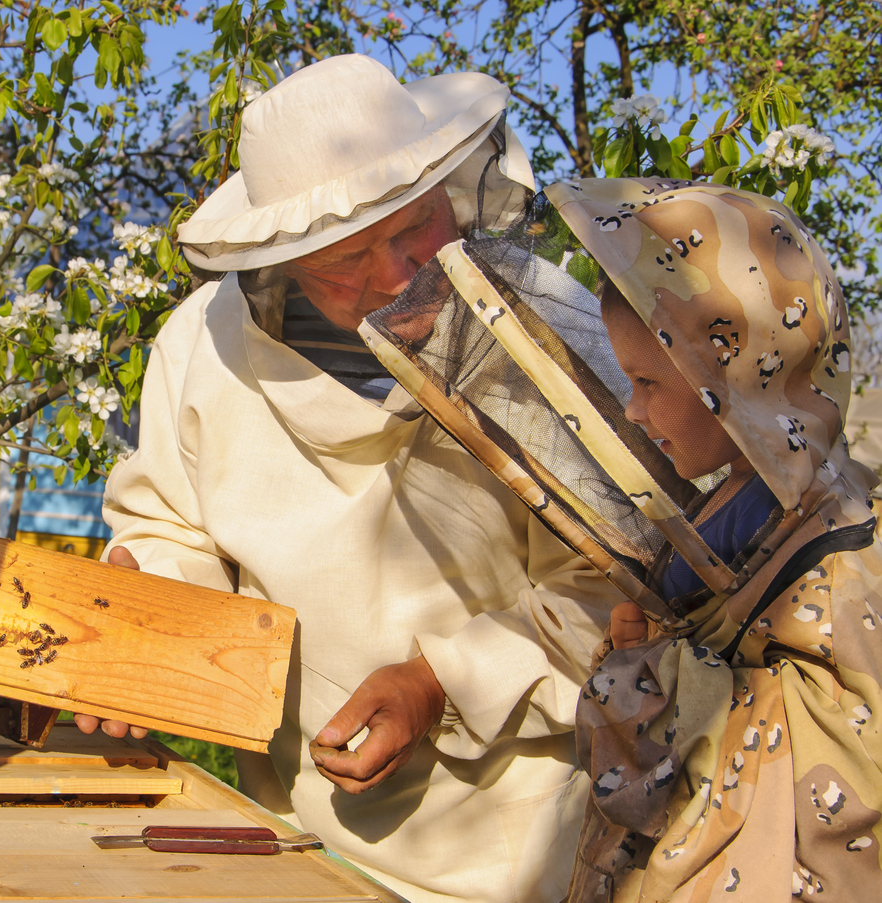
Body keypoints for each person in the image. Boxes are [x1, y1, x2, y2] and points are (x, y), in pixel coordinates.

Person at [76, 54, 621, 902]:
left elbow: (613, 591)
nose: (400, 273)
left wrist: (439, 681)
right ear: (285, 258)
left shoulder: (555, 338)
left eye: (417, 227)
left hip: (526, 845)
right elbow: (171, 528)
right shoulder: (200, 349)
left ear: (453, 189)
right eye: (349, 259)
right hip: (287, 834)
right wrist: (147, 607)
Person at [363, 176, 882, 900]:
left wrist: (648, 681)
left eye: (645, 381)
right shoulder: (738, 512)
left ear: (727, 380)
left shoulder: (830, 548)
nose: (632, 410)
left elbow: (837, 760)